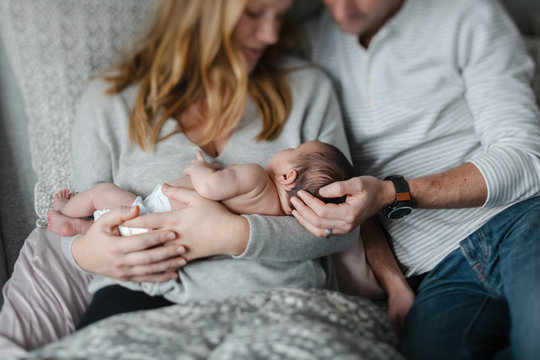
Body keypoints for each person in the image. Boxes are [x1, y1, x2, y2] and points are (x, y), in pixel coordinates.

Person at [0, 0, 410, 356]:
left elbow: (342, 224)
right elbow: (86, 227)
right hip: (142, 304)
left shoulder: (306, 89)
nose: (269, 34)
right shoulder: (107, 102)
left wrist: (233, 235)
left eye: (279, 15)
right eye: (252, 12)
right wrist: (87, 254)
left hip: (283, 302)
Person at [292, 0, 540, 359]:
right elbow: (352, 198)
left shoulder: (467, 15)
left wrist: (393, 193)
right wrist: (394, 284)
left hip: (519, 221)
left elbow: (527, 158)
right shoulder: (309, 42)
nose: (342, 11)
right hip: (433, 270)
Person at [47, 141, 355, 238]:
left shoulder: (257, 175)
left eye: (294, 147)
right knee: (118, 227)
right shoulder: (279, 216)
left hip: (154, 209)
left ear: (288, 176)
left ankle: (67, 213)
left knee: (103, 192)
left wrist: (198, 169)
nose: (287, 146)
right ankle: (77, 228)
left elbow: (209, 187)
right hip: (166, 235)